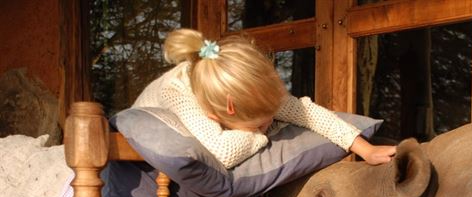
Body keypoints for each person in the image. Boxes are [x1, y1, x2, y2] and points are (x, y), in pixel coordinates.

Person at [133, 28, 396, 169]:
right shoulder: (180, 97)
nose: (267, 127)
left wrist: (366, 149)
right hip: (135, 164)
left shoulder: (252, 89)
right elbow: (223, 151)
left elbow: (309, 113)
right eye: (258, 125)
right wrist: (265, 137)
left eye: (268, 121)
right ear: (220, 114)